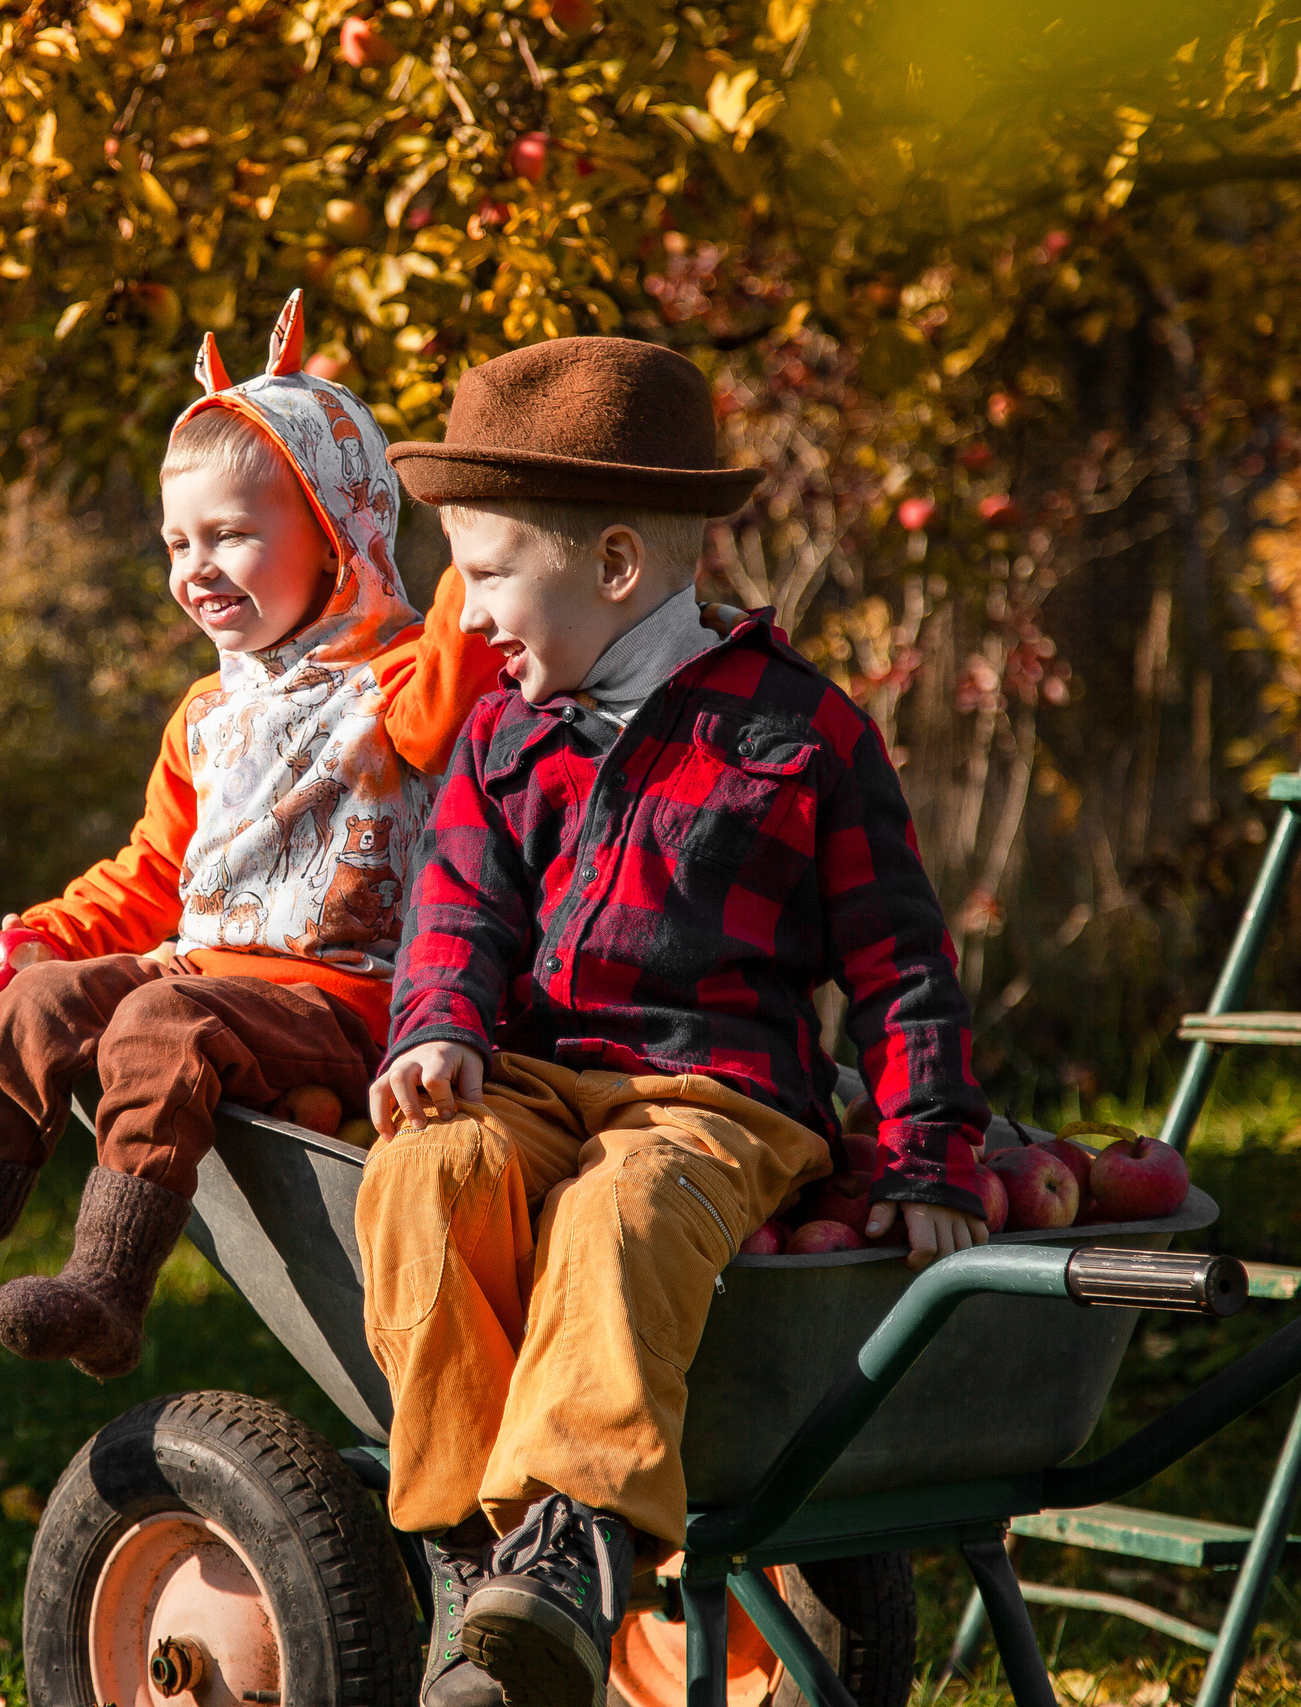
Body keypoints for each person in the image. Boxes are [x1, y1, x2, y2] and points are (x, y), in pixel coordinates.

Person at [359, 337, 995, 1707]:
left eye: (485, 572)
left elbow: (899, 963)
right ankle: (480, 1560)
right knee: (429, 1170)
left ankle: (576, 1537)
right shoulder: (502, 737)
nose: (461, 616)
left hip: (715, 1096)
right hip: (533, 1078)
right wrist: (439, 1029)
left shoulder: (798, 733)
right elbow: (456, 916)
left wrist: (929, 1150)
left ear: (620, 569)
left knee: (622, 1210)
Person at [0, 293, 503, 1389]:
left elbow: (469, 623)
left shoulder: (398, 687)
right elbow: (153, 874)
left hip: (344, 1002)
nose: (197, 567)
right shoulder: (207, 715)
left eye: (233, 536)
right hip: (202, 983)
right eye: (177, 541)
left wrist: (482, 505)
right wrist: (47, 935)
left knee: (161, 1013)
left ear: (339, 533)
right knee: (41, 1003)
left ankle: (108, 1289)